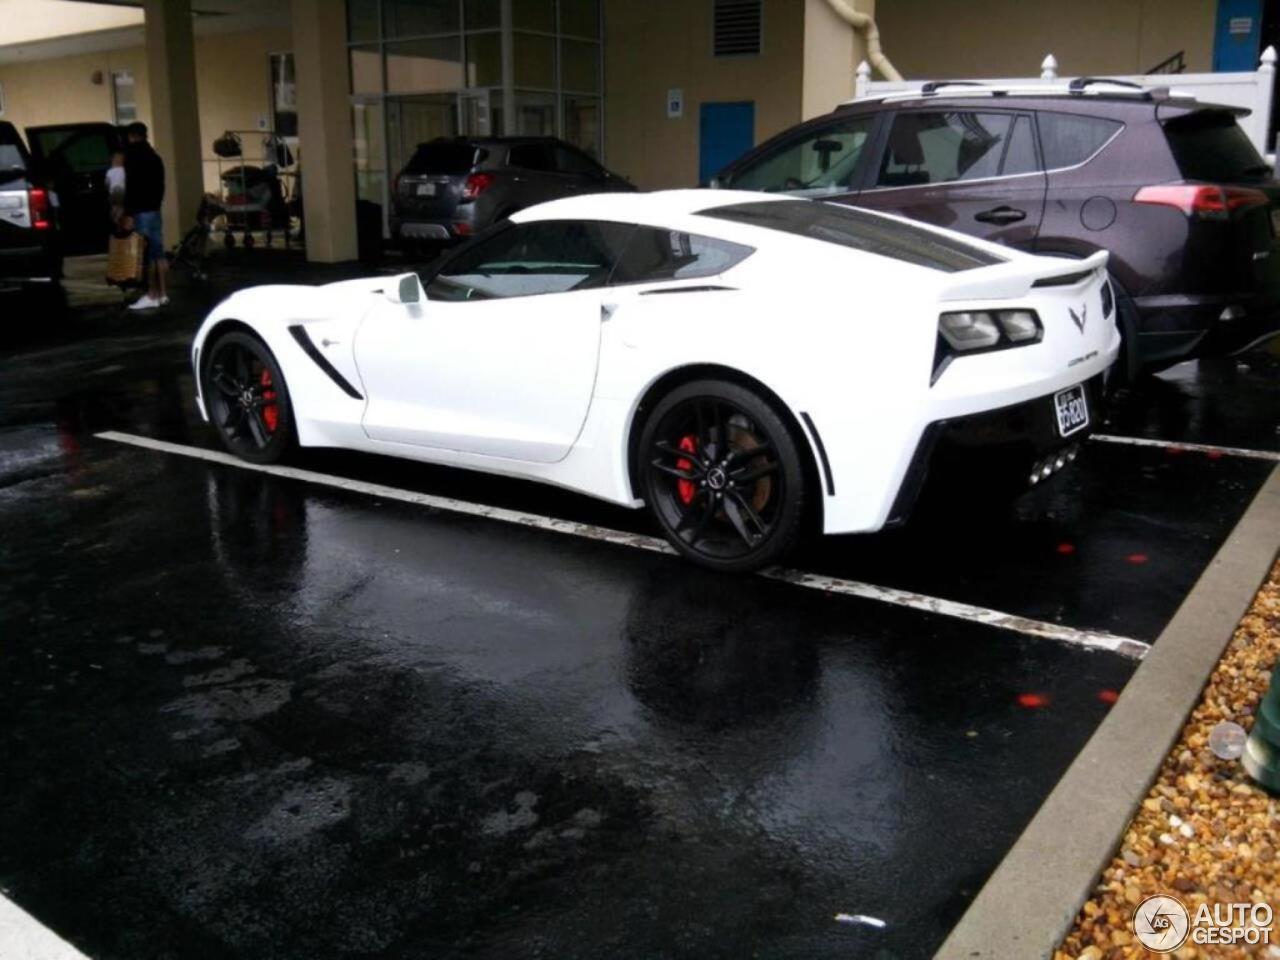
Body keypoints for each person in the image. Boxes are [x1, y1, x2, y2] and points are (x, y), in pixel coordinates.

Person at [122, 122, 169, 310]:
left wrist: (127, 212)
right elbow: (161, 186)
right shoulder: (154, 157)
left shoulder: (132, 157)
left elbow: (130, 187)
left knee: (147, 254)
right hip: (154, 210)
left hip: (141, 211)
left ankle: (151, 294)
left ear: (132, 136)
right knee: (159, 253)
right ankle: (163, 294)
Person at [105, 150, 126, 229]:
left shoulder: (110, 171)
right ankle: (119, 219)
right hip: (122, 191)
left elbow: (107, 183)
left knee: (114, 206)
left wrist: (108, 190)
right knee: (121, 207)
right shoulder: (124, 170)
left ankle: (115, 219)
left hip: (113, 191)